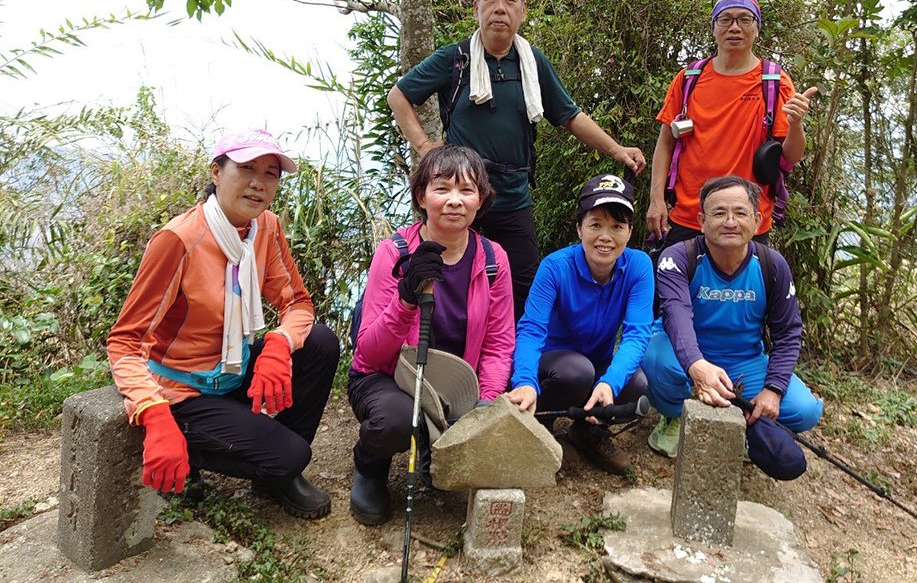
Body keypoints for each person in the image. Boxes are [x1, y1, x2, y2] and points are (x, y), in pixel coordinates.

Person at [388, 0, 646, 321]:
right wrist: (423, 146)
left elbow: (569, 116)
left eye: (510, 0)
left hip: (513, 199)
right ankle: (453, 370)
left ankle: (515, 374)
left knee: (522, 291)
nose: (500, 8)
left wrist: (617, 150)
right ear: (476, 8)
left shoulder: (531, 63)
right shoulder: (456, 59)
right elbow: (399, 96)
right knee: (452, 286)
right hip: (464, 199)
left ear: (522, 11)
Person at [107, 129, 340, 519]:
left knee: (319, 343)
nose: (259, 183)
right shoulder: (179, 240)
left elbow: (297, 302)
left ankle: (277, 474)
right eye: (246, 168)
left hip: (233, 369)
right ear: (217, 172)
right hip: (184, 388)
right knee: (291, 454)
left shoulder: (265, 227)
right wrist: (155, 413)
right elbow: (125, 342)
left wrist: (280, 344)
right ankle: (193, 447)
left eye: (271, 173)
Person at [348, 144, 515, 526]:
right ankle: (370, 467)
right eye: (442, 188)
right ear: (421, 196)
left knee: (470, 439)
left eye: (466, 190)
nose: (454, 201)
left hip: (452, 385)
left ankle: (432, 443)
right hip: (389, 378)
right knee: (395, 419)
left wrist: (484, 403)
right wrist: (406, 297)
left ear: (481, 200)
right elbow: (368, 355)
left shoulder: (493, 260)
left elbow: (498, 342)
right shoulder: (395, 253)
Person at [641, 175, 823, 458]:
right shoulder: (678, 257)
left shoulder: (771, 265)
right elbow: (676, 316)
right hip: (682, 354)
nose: (730, 221)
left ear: (757, 220)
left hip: (744, 360)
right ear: (701, 220)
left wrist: (773, 389)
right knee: (653, 362)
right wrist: (697, 366)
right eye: (719, 213)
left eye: (740, 213)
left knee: (804, 411)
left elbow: (788, 332)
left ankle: (744, 421)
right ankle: (676, 415)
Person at [645, 0, 818, 247]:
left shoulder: (773, 81)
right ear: (714, 28)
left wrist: (795, 124)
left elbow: (790, 156)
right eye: (725, 19)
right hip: (689, 215)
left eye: (744, 19)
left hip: (747, 220)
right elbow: (666, 142)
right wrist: (656, 199)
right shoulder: (689, 79)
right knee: (677, 287)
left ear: (757, 29)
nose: (734, 27)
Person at [507, 174, 653, 475]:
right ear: (579, 228)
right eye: (595, 224)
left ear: (629, 232)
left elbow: (637, 333)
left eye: (617, 226)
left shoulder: (638, 267)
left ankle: (586, 431)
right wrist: (524, 380)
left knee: (636, 383)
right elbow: (531, 329)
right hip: (554, 365)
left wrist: (610, 382)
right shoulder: (556, 267)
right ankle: (538, 425)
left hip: (597, 362)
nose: (606, 236)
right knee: (576, 371)